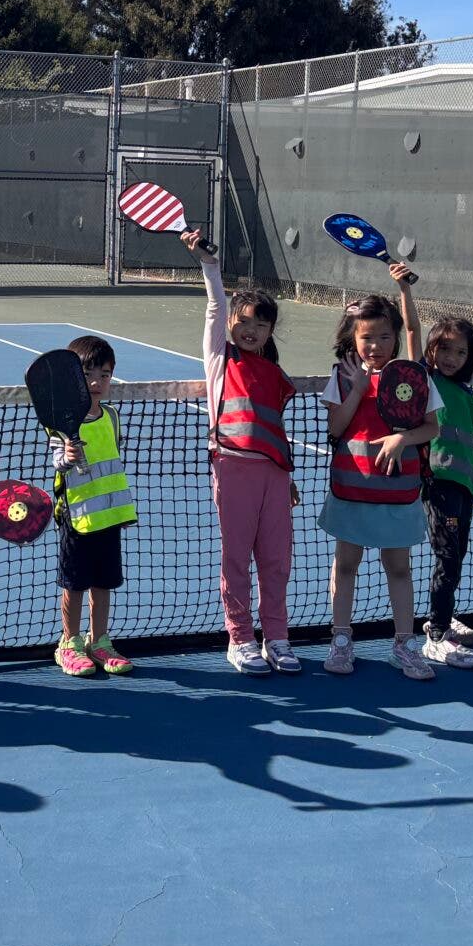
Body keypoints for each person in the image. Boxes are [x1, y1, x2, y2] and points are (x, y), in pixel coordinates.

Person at [183, 227, 300, 676]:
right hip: (232, 469)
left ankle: (278, 638)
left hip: (275, 476)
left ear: (270, 331)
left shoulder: (272, 371)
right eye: (245, 321)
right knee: (236, 558)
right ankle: (240, 639)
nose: (251, 330)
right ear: (232, 322)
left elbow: (273, 429)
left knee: (276, 561)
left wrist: (287, 477)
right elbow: (215, 305)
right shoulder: (220, 357)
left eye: (261, 324)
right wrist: (209, 264)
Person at [318, 273, 442, 681]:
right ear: (353, 339)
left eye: (384, 337)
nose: (376, 345)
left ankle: (404, 645)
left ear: (395, 339)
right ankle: (341, 640)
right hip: (352, 491)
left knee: (399, 569)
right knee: (346, 565)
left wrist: (402, 438)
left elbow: (432, 427)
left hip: (398, 493)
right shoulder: (342, 376)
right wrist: (357, 389)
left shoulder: (414, 378)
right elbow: (336, 428)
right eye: (367, 337)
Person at [406, 292, 473, 670]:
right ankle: (438, 635)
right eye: (445, 349)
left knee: (455, 558)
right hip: (437, 483)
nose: (451, 358)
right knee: (447, 558)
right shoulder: (426, 380)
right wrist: (405, 290)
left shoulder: (466, 395)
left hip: (464, 488)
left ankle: (440, 617)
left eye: (461, 352)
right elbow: (412, 330)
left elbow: (469, 449)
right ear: (432, 350)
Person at [48, 334, 136, 678]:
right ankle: (69, 643)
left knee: (103, 582)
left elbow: (111, 463)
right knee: (74, 583)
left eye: (104, 374)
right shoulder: (61, 421)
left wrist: (120, 509)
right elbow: (57, 461)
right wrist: (67, 457)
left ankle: (99, 641)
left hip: (109, 517)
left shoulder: (111, 416)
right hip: (77, 516)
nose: (97, 382)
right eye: (87, 375)